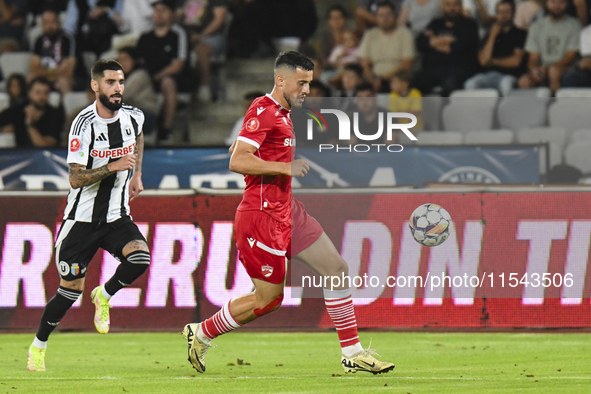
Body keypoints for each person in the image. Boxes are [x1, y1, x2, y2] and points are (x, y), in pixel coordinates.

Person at [182, 51, 395, 375]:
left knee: (336, 267)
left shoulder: (284, 114)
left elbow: (241, 148)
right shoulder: (263, 109)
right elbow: (236, 161)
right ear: (281, 80)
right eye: (302, 83)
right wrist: (284, 166)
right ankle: (202, 331)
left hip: (288, 211)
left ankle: (352, 353)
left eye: (309, 83)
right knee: (268, 300)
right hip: (262, 215)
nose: (307, 90)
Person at [26, 59, 149, 372]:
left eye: (121, 82)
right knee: (69, 291)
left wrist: (136, 174)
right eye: (110, 82)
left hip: (117, 216)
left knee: (141, 259)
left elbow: (139, 138)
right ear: (96, 86)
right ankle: (39, 345)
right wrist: (113, 166)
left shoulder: (134, 117)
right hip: (81, 221)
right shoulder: (84, 125)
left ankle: (104, 294)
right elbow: (75, 178)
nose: (117, 88)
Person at [136, 0, 191, 141]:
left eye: (163, 10)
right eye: (156, 11)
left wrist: (159, 76)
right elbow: (138, 60)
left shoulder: (178, 34)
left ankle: (166, 129)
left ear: (171, 14)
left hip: (171, 77)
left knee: (168, 83)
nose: (159, 14)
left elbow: (179, 63)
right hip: (148, 78)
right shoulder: (145, 35)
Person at [414, 0, 479, 96]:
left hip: (457, 70)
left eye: (455, 5)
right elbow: (421, 43)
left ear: (461, 6)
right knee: (413, 82)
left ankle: (446, 111)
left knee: (449, 85)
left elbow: (456, 48)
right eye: (448, 5)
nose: (452, 8)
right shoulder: (435, 23)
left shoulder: (469, 24)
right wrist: (447, 39)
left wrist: (434, 41)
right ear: (442, 7)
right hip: (432, 69)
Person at [463, 0, 527, 96]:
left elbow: (515, 61)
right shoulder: (489, 35)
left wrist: (492, 61)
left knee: (506, 85)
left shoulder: (520, 34)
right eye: (500, 12)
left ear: (514, 14)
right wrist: (492, 36)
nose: (503, 15)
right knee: (470, 84)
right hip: (488, 75)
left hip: (509, 76)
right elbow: (483, 61)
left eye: (507, 12)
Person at [517, 0, 581, 94]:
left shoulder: (574, 24)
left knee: (553, 72)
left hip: (566, 67)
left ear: (566, 4)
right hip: (543, 67)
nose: (556, 6)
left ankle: (557, 106)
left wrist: (549, 69)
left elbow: (570, 56)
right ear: (546, 3)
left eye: (560, 2)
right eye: (553, 2)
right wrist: (534, 69)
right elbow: (533, 58)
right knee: (524, 81)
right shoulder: (537, 26)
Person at [358, 1, 415, 92]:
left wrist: (382, 79)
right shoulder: (370, 34)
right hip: (374, 79)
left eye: (388, 15)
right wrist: (372, 79)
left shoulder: (405, 33)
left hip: (397, 78)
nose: (385, 19)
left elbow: (407, 63)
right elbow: (364, 62)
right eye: (381, 15)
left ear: (395, 16)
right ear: (376, 17)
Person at [179, 0, 229, 102]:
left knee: (201, 50)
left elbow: (219, 19)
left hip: (212, 36)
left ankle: (203, 87)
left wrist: (201, 35)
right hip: (187, 37)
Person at [0, 77, 64, 148]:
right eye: (38, 92)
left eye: (45, 93)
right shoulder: (18, 109)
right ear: (29, 93)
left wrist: (30, 125)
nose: (41, 97)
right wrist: (4, 129)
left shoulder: (55, 114)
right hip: (19, 154)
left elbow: (45, 146)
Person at [29, 9, 76, 94]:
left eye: (53, 22)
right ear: (42, 25)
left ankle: (69, 105)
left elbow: (69, 70)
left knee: (63, 82)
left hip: (64, 78)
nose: (50, 26)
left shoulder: (67, 39)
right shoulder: (38, 40)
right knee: (29, 78)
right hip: (46, 76)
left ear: (59, 23)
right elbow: (34, 68)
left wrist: (45, 73)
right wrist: (51, 73)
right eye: (46, 23)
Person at [117, 47, 158, 139]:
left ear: (135, 60)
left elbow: (121, 97)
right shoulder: (123, 78)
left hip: (145, 115)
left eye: (125, 59)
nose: (122, 63)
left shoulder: (140, 75)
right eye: (119, 60)